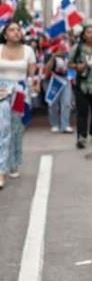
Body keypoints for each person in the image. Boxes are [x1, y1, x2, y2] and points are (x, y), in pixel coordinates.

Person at [0, 22, 37, 189]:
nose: (16, 32)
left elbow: (32, 75)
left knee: (16, 128)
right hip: (1, 91)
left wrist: (34, 85)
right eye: (11, 30)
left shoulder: (28, 51)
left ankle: (13, 162)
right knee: (3, 128)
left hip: (20, 92)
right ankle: (1, 168)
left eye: (18, 30)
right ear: (5, 34)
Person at [45, 40, 74, 134]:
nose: (62, 49)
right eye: (60, 47)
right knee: (53, 104)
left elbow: (72, 68)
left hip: (65, 80)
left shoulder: (68, 56)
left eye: (64, 47)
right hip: (53, 80)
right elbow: (47, 70)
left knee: (66, 103)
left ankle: (65, 125)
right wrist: (53, 57)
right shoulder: (49, 55)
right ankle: (54, 124)